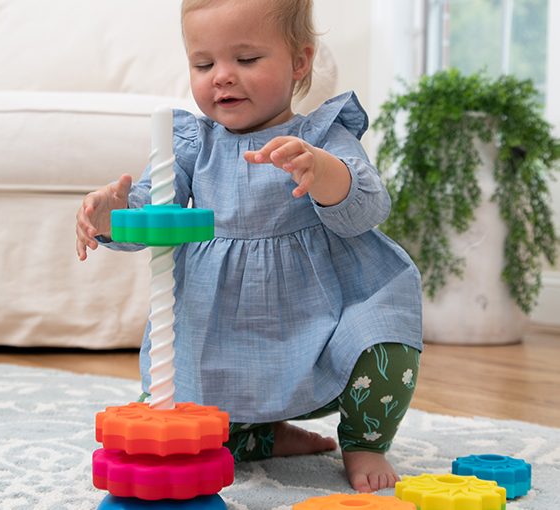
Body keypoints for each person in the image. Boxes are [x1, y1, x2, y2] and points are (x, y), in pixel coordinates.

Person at [75, 0, 422, 493]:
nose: (222, 77)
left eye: (246, 59)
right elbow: (155, 215)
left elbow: (367, 208)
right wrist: (111, 213)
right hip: (221, 331)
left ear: (299, 62)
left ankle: (364, 439)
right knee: (191, 439)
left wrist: (322, 172)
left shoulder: (323, 134)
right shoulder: (194, 144)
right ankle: (264, 436)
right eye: (203, 64)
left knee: (386, 339)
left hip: (319, 316)